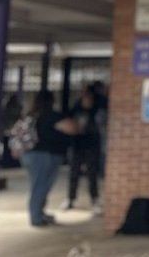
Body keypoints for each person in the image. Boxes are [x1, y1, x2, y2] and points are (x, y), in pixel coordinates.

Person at [21, 90, 78, 227]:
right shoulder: (52, 116)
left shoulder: (31, 115)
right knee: (41, 186)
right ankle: (36, 217)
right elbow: (72, 128)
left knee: (37, 185)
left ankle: (39, 213)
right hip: (45, 155)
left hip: (28, 154)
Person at [61, 86, 103, 214]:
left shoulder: (97, 110)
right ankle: (70, 198)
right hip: (77, 145)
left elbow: (100, 126)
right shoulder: (76, 109)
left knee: (92, 174)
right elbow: (68, 123)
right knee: (74, 173)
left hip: (92, 146)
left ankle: (94, 199)